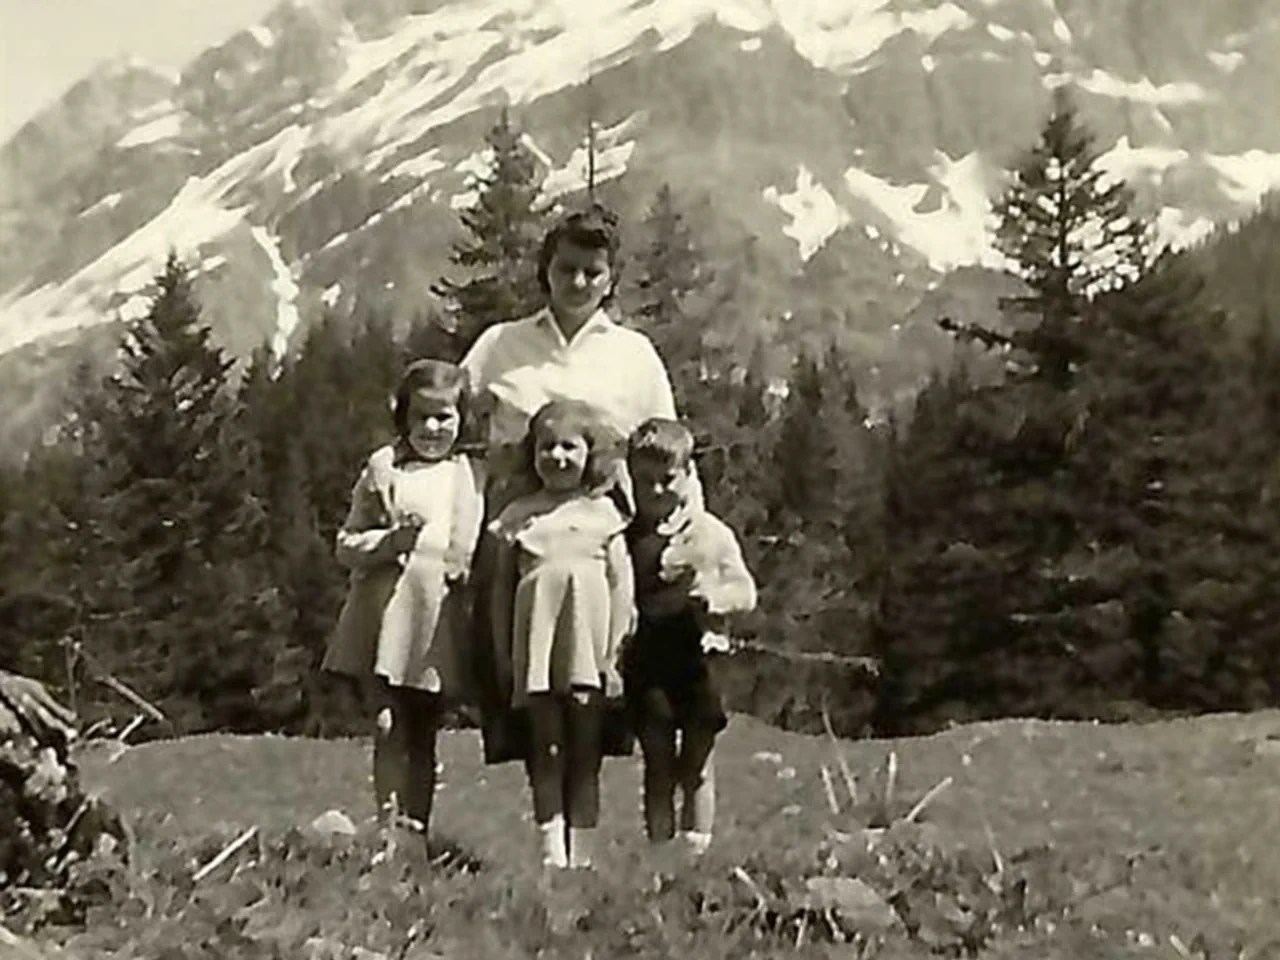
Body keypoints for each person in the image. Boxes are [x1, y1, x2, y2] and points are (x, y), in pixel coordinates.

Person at [459, 203, 699, 764]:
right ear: (546, 268)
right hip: (520, 533)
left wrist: (690, 526)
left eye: (592, 271)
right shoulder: (501, 344)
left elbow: (668, 443)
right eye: (566, 268)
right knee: (523, 676)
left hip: (603, 532)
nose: (578, 282)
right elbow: (447, 414)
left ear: (610, 276)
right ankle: (546, 823)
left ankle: (587, 823)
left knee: (597, 680)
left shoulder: (633, 355)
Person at [321, 359, 484, 845]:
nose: (432, 429)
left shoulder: (469, 474)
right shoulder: (384, 469)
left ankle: (417, 831)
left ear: (462, 419)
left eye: (444, 417)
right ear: (403, 418)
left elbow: (477, 540)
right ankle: (389, 829)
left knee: (423, 727)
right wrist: (388, 543)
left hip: (437, 617)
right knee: (387, 722)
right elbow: (346, 543)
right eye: (421, 418)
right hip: (385, 612)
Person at [487, 400, 634, 870]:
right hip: (536, 649)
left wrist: (612, 653)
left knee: (586, 749)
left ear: (590, 454)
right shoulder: (519, 516)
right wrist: (505, 656)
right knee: (545, 747)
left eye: (569, 447)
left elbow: (621, 587)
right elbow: (500, 593)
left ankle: (583, 855)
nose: (557, 457)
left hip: (588, 650)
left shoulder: (605, 516)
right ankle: (552, 853)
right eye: (546, 448)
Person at [621, 418, 756, 856]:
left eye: (667, 480)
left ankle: (696, 853)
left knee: (697, 760)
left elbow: (746, 592)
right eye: (646, 482)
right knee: (658, 761)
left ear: (687, 475)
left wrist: (713, 597)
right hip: (648, 656)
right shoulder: (625, 535)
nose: (657, 491)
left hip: (700, 658)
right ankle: (660, 855)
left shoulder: (709, 533)